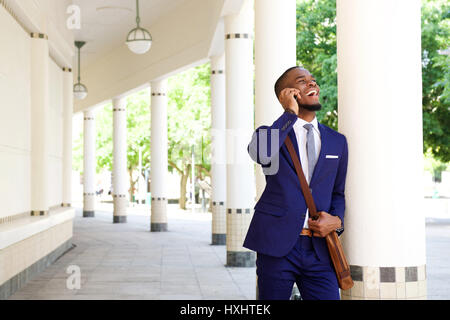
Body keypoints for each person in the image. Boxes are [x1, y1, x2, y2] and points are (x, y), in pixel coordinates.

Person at [243, 66, 349, 300]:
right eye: (302, 81)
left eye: (313, 80)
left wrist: (337, 220)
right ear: (287, 93)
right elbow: (260, 154)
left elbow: (338, 192)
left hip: (320, 250)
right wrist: (288, 115)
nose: (312, 84)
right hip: (277, 246)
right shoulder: (271, 134)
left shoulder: (337, 141)